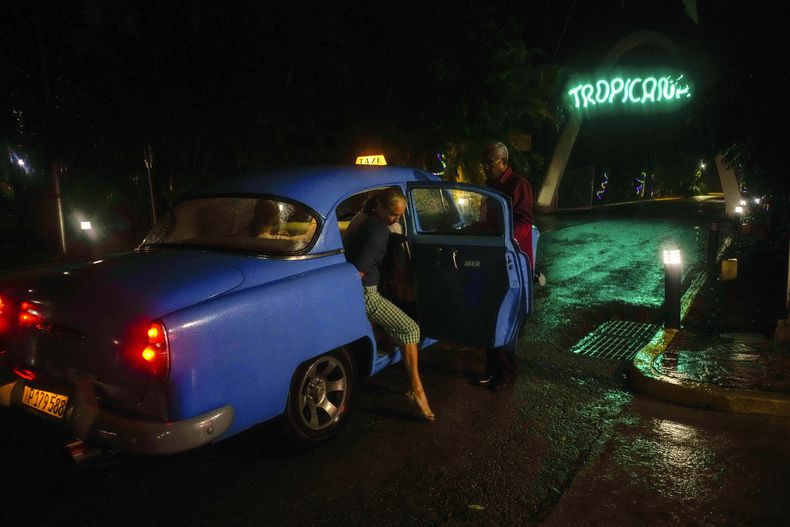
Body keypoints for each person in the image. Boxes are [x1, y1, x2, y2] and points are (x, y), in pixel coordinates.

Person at [344, 188, 434, 421]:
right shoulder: (378, 230)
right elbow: (358, 272)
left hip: (366, 291)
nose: (396, 220)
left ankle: (386, 343)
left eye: (400, 216)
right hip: (367, 294)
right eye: (393, 215)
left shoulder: (361, 218)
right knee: (410, 328)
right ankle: (416, 390)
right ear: (381, 207)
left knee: (395, 324)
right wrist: (349, 303)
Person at [477, 141, 535, 391]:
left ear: (503, 161)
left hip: (513, 260)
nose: (486, 169)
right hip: (492, 258)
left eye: (489, 164)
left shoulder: (518, 185)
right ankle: (491, 369)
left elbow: (524, 222)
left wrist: (503, 238)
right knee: (489, 315)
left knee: (507, 317)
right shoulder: (490, 187)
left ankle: (507, 373)